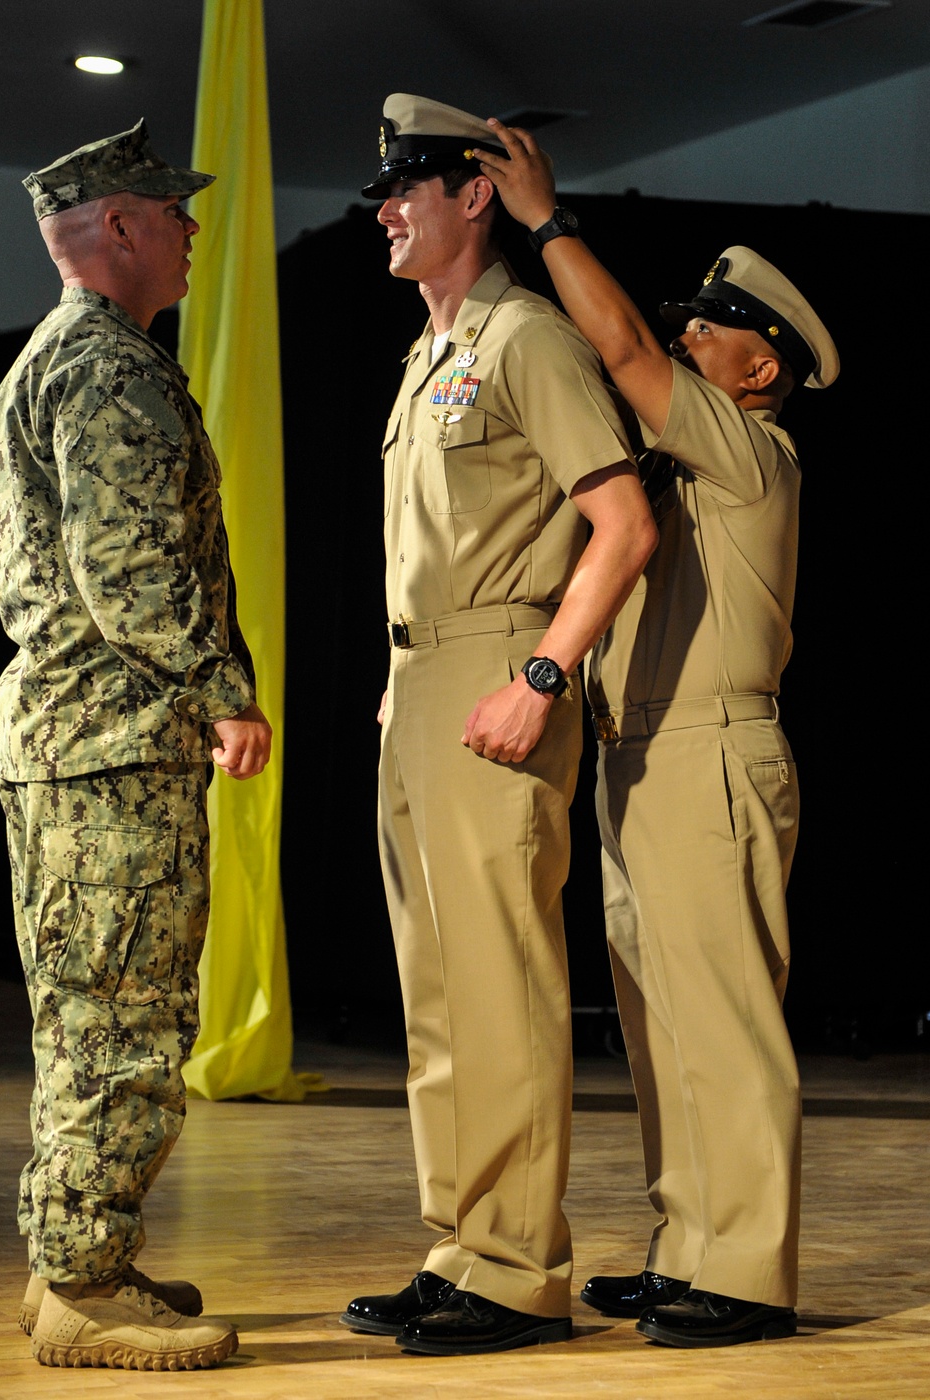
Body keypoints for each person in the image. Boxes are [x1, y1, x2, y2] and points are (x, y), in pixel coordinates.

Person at [474, 120, 839, 1349]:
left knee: (722, 1018)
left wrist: (543, 221)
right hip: (641, 754)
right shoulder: (686, 466)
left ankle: (747, 1270)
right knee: (659, 1020)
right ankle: (692, 1241)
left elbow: (619, 347)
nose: (686, 333)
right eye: (689, 316)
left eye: (712, 327)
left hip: (710, 752)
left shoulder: (752, 455)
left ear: (758, 371)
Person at [339, 94, 657, 1357]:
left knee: (502, 980)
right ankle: (461, 1243)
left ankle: (521, 1267)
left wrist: (540, 673)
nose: (384, 209)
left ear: (475, 193)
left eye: (408, 184)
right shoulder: (430, 351)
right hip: (414, 681)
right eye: (382, 190)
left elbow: (621, 521)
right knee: (436, 989)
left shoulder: (526, 336)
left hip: (495, 671)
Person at [0, 120, 272, 1371]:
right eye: (172, 210)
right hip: (112, 739)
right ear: (116, 227)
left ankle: (71, 1262)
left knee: (81, 1012)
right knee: (127, 1017)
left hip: (67, 736)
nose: (193, 230)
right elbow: (129, 570)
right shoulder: (108, 370)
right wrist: (222, 688)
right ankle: (87, 1288)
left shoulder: (49, 359)